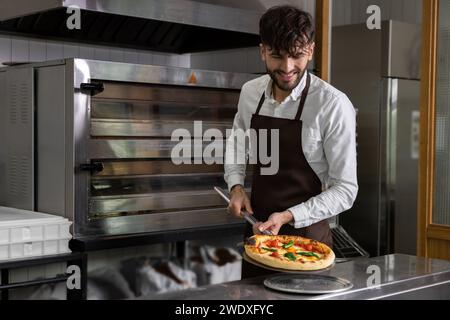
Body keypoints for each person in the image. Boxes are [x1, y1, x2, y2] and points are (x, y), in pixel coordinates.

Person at [224, 5, 358, 278]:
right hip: (258, 237)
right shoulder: (250, 93)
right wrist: (236, 185)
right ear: (263, 51)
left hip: (308, 246)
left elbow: (346, 189)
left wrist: (287, 216)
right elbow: (238, 144)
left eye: (296, 56)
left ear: (310, 49)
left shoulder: (331, 104)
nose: (287, 68)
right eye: (276, 56)